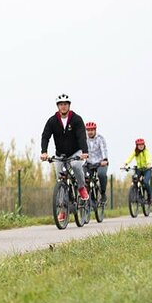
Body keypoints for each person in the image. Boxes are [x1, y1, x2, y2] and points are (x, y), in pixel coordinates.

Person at [40, 94, 89, 223]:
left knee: (77, 166)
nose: (63, 106)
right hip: (60, 154)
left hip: (75, 152)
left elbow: (81, 136)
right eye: (61, 104)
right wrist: (44, 152)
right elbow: (45, 136)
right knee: (60, 178)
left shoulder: (76, 119)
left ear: (69, 105)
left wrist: (84, 152)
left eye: (65, 104)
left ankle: (81, 187)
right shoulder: (52, 121)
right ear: (58, 106)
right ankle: (62, 210)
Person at [122, 138, 152, 204]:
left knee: (145, 182)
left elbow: (148, 158)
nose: (141, 146)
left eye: (142, 144)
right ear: (137, 145)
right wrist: (125, 164)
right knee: (135, 179)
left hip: (147, 169)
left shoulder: (146, 151)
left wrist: (148, 164)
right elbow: (130, 157)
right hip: (139, 169)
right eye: (139, 145)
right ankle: (136, 195)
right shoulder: (135, 152)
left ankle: (150, 197)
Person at [84, 121, 109, 202]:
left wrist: (104, 159)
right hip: (89, 163)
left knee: (101, 175)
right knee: (83, 177)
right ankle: (87, 200)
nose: (90, 132)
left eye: (91, 130)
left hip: (100, 163)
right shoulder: (84, 139)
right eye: (88, 130)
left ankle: (103, 193)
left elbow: (103, 149)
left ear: (95, 130)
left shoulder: (100, 138)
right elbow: (80, 149)